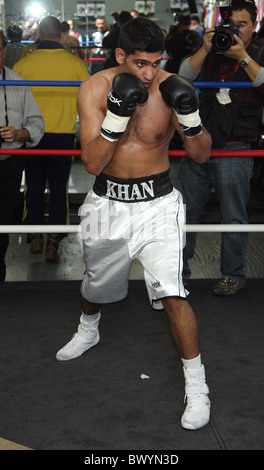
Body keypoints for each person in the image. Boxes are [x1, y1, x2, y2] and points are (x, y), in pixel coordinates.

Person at [56, 17, 212, 431]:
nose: (148, 73)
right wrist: (116, 116)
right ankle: (89, 328)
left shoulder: (172, 86)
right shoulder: (95, 88)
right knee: (97, 284)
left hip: (158, 203)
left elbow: (200, 154)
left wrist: (190, 117)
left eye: (156, 62)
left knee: (173, 291)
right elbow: (91, 163)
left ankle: (197, 385)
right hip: (107, 202)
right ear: (120, 56)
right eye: (140, 64)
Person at [177, 0, 264, 295]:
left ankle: (234, 275)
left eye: (241, 25)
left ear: (254, 26)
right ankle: (179, 274)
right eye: (230, 25)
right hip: (199, 141)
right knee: (185, 212)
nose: (235, 31)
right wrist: (204, 48)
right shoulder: (211, 52)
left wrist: (241, 57)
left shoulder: (258, 53)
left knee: (234, 215)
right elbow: (183, 76)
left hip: (236, 146)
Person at [13, 16, 89, 262]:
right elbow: (89, 97)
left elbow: (11, 100)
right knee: (59, 189)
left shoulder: (24, 63)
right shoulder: (74, 63)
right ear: (61, 35)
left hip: (30, 135)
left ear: (39, 35)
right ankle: (53, 241)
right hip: (63, 134)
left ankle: (35, 235)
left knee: (33, 186)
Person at [0, 31, 44, 281]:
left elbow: (38, 126)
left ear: (4, 51)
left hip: (9, 167)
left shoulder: (17, 82)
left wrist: (18, 133)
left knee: (2, 226)